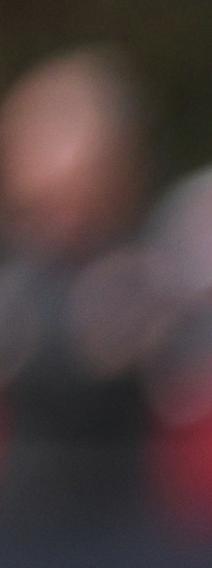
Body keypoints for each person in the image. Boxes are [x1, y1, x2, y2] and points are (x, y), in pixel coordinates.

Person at [0, 50, 181, 531]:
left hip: (115, 551)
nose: (58, 228)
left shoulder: (146, 283)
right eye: (38, 208)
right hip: (27, 543)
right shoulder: (21, 286)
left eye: (75, 204)